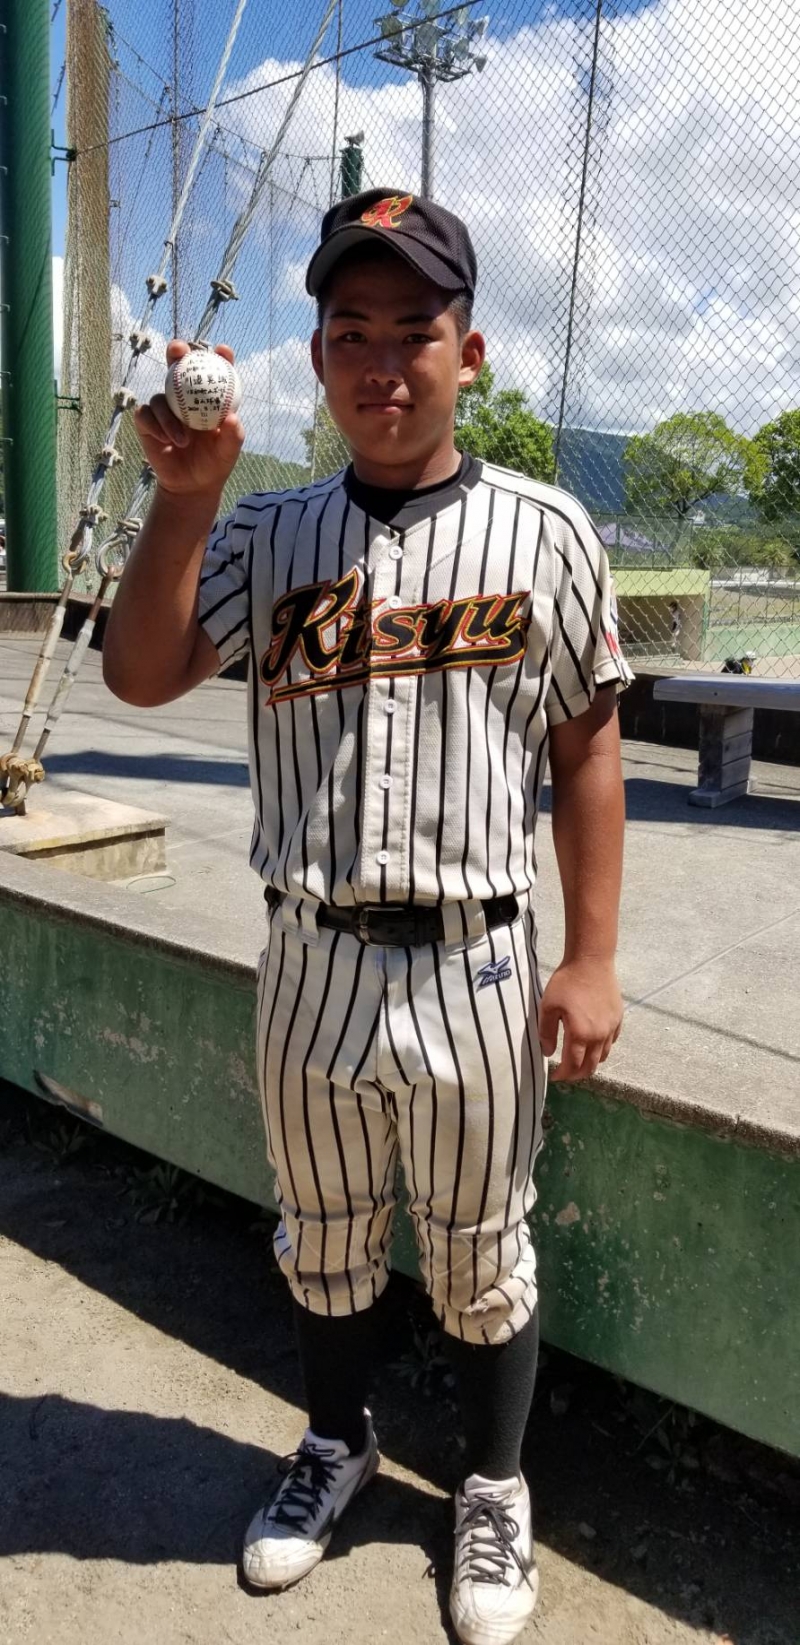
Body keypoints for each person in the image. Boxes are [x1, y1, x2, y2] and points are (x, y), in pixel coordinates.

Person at [103, 189, 631, 1645]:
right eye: (352, 331)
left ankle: (493, 1484)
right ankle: (335, 1442)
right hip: (312, 956)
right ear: (318, 356)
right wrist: (186, 497)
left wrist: (592, 955)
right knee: (323, 1233)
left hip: (479, 963)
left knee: (481, 1249)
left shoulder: (547, 530)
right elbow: (139, 673)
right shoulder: (265, 530)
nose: (383, 361)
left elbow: (588, 745)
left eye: (416, 330)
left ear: (471, 351)